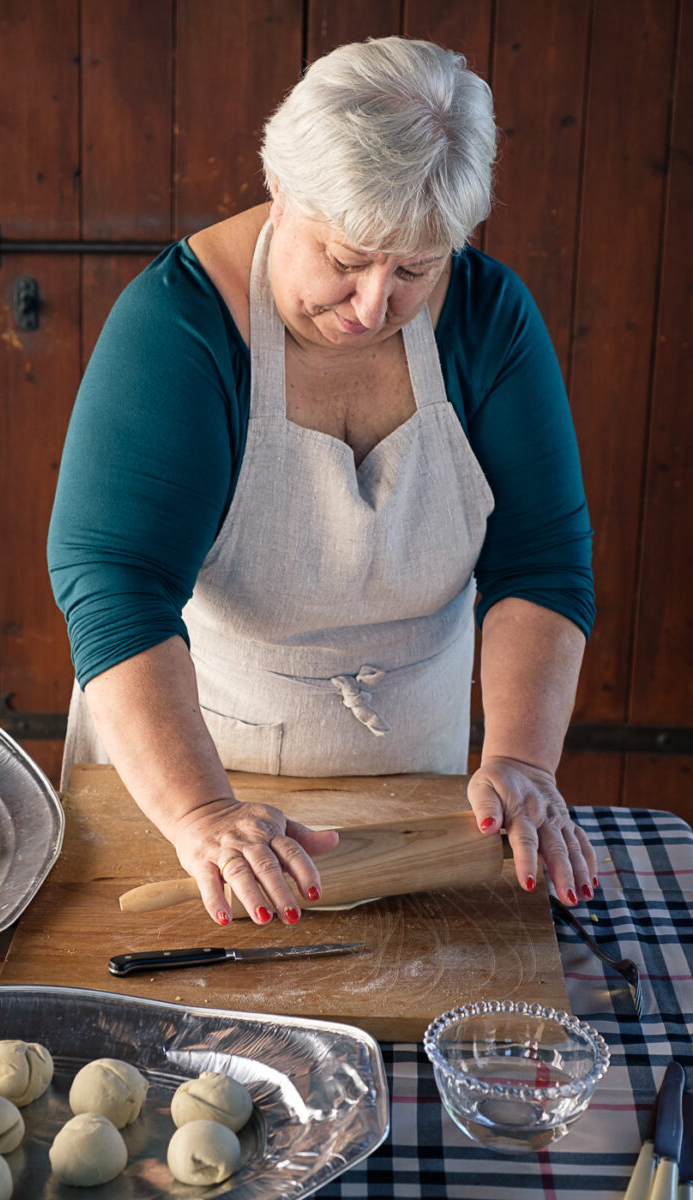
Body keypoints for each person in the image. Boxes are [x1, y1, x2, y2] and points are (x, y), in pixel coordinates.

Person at [48, 36, 598, 929]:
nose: (374, 305)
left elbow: (541, 563)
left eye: (415, 269)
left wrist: (524, 761)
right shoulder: (183, 325)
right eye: (345, 260)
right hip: (200, 770)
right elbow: (115, 581)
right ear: (281, 195)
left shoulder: (491, 320)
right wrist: (202, 813)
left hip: (423, 769)